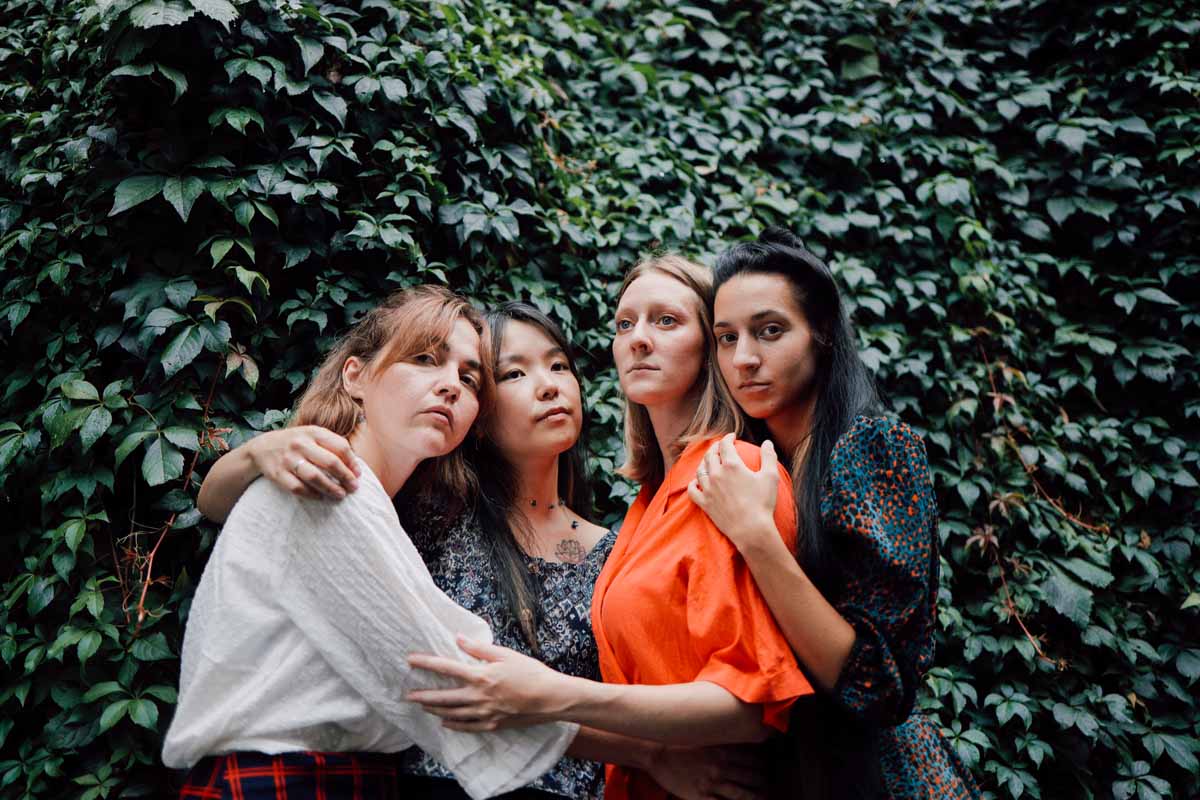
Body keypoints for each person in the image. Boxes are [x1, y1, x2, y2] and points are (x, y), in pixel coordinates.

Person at [194, 301, 763, 800]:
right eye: (511, 373)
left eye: (560, 366)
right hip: (394, 779)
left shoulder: (623, 546)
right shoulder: (405, 504)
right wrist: (256, 452)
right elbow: (448, 680)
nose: (548, 385)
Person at [406, 255, 814, 800]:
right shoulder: (643, 510)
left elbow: (753, 696)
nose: (639, 339)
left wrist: (552, 694)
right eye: (625, 325)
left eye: (666, 321)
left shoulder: (728, 474)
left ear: (713, 346)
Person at [164, 286, 578, 800]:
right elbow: (449, 678)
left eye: (468, 378)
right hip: (278, 782)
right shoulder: (327, 485)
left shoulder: (386, 505)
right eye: (425, 359)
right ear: (355, 376)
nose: (449, 385)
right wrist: (648, 743)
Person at [687, 227, 982, 799]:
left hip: (875, 778)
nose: (744, 359)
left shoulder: (870, 447)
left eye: (770, 331)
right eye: (726, 338)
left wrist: (756, 535)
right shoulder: (749, 462)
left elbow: (875, 685)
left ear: (821, 331)